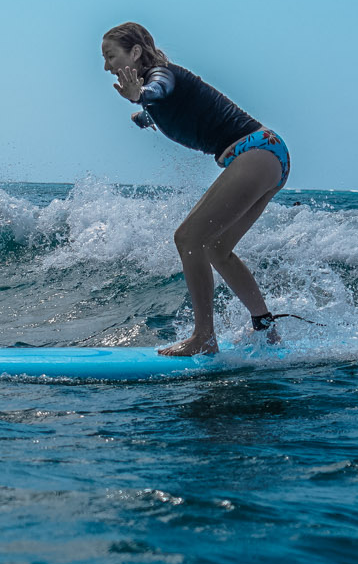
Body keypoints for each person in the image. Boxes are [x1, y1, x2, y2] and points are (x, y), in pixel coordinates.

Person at [103, 21, 291, 355]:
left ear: (135, 52)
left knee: (188, 238)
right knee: (217, 249)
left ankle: (204, 337)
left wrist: (140, 97)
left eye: (110, 55)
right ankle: (266, 329)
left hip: (255, 152)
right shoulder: (160, 92)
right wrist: (143, 115)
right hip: (268, 155)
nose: (107, 66)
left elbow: (158, 90)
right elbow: (166, 108)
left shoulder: (163, 75)